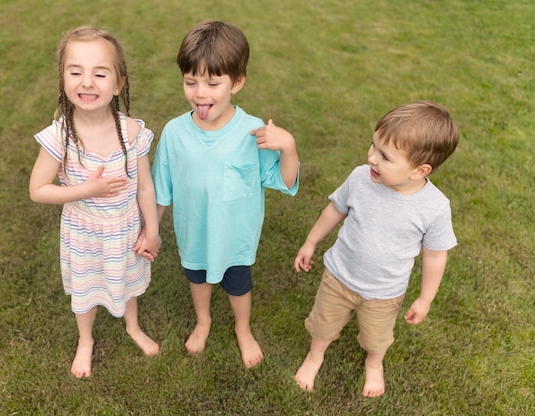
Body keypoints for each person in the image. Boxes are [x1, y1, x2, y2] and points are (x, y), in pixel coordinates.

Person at [151, 20, 299, 368]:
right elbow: (161, 189)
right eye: (191, 82)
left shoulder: (252, 131)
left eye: (212, 83)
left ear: (237, 82)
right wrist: (152, 231)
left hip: (236, 238)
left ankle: (243, 329)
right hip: (194, 232)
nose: (200, 93)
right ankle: (203, 321)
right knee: (198, 278)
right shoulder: (174, 133)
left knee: (238, 285)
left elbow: (284, 179)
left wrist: (288, 147)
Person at [293, 101, 459, 397]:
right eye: (373, 146)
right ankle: (315, 356)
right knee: (323, 325)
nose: (371, 157)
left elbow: (435, 255)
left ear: (419, 170)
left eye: (384, 156)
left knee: (376, 337)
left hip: (384, 293)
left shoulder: (434, 208)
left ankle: (374, 362)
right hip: (339, 276)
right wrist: (310, 241)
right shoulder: (360, 178)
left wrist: (425, 298)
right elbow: (335, 210)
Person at [29, 26, 161, 378]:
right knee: (86, 292)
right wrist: (85, 191)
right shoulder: (60, 136)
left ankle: (132, 326)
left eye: (99, 73)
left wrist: (152, 231)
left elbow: (145, 187)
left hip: (126, 230)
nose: (87, 82)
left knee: (129, 282)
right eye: (76, 72)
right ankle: (85, 340)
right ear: (63, 78)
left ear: (118, 84)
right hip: (84, 234)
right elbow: (38, 189)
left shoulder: (132, 132)